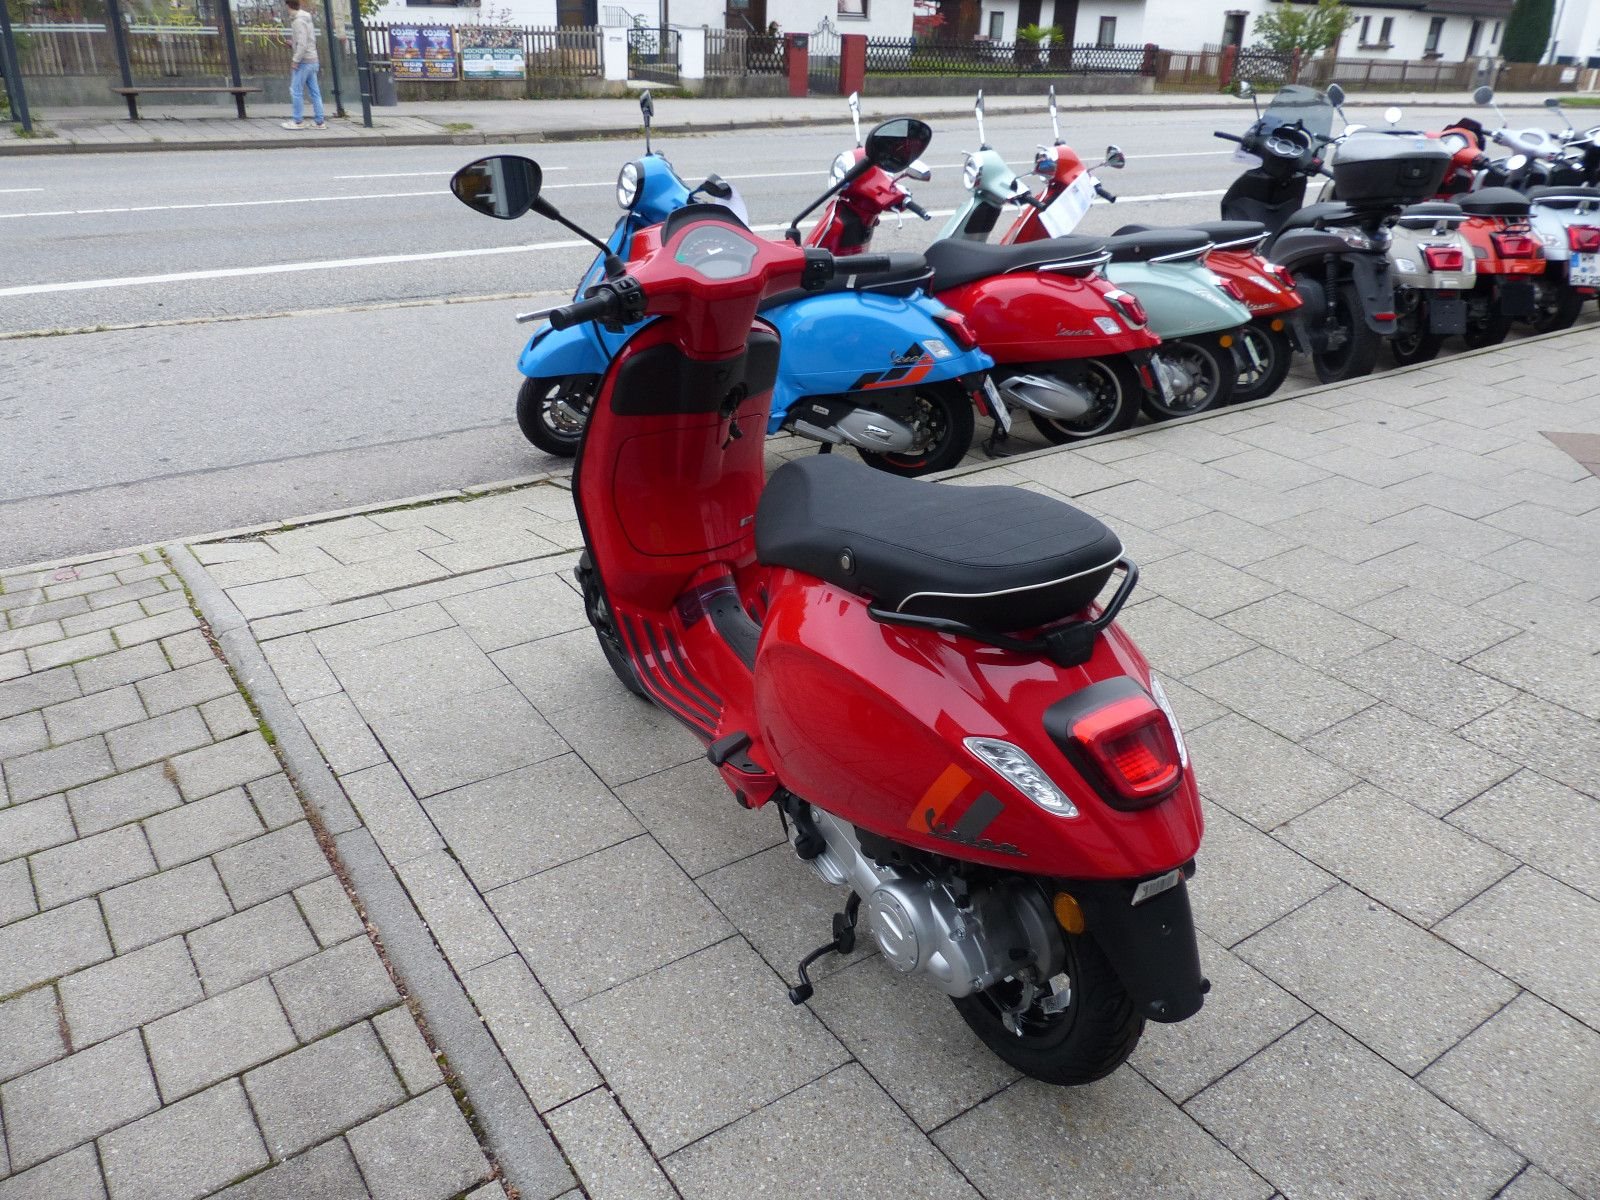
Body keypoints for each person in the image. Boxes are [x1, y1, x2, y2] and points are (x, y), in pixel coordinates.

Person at [281, 0, 326, 131]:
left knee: (296, 91)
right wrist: (293, 44)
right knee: (315, 92)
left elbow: (302, 43)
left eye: (286, 7)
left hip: (303, 61)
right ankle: (320, 122)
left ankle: (298, 121)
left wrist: (295, 60)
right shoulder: (306, 18)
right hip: (313, 59)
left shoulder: (298, 21)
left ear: (288, 6)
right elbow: (307, 40)